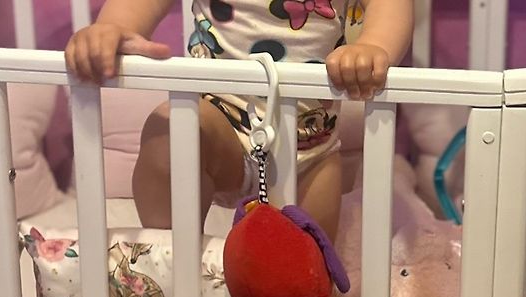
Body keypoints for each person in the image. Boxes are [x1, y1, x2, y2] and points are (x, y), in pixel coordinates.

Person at [65, 0, 413, 246]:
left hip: (309, 144)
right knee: (170, 133)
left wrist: (373, 45)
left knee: (309, 279)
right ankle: (175, 264)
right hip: (218, 117)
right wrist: (114, 28)